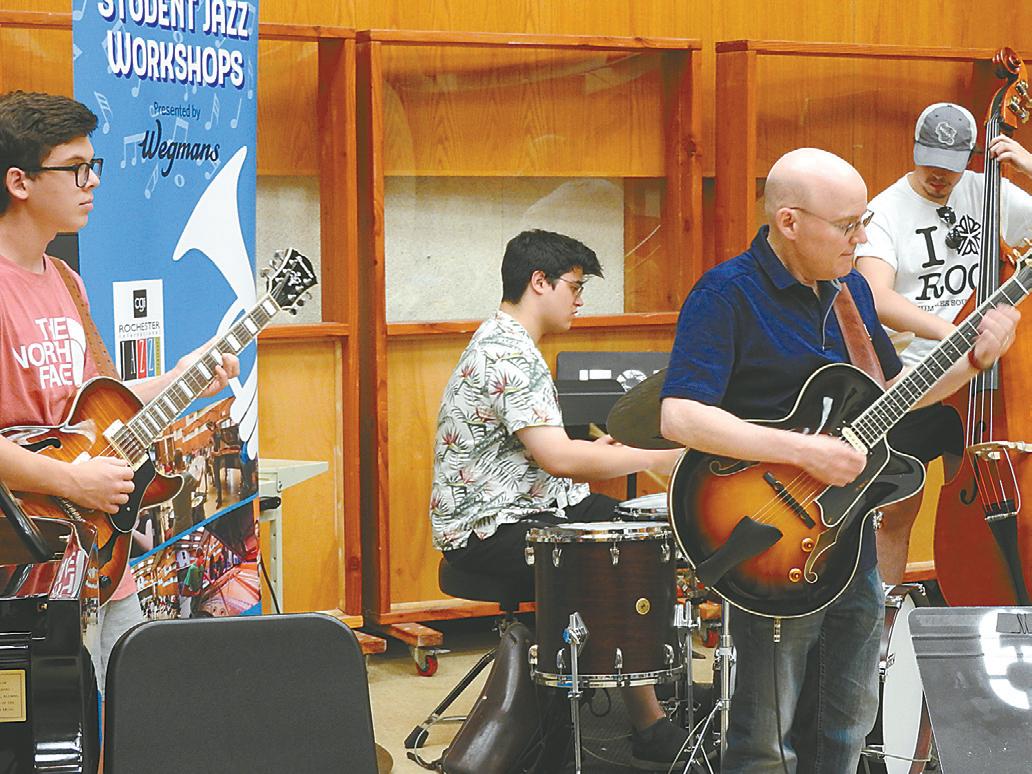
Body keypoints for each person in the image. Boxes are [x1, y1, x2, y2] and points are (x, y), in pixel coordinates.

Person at [658, 147, 1019, 773]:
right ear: (790, 222)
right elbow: (680, 417)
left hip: (850, 542)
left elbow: (889, 396)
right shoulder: (726, 294)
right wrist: (804, 451)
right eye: (849, 225)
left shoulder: (851, 290)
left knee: (847, 723)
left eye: (864, 221)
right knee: (766, 741)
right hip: (766, 536)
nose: (863, 238)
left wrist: (973, 359)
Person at [0, 90, 239, 693]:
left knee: (132, 708)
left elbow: (99, 402)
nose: (93, 181)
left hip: (101, 555)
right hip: (26, 563)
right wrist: (70, 482)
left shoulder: (65, 280)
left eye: (94, 165)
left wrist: (182, 377)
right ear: (19, 181)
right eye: (76, 168)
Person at [430, 229, 687, 770]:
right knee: (617, 558)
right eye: (574, 286)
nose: (579, 299)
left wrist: (606, 451)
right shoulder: (508, 354)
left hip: (535, 507)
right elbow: (560, 460)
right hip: (489, 529)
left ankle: (650, 710)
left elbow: (547, 454)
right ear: (539, 282)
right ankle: (648, 723)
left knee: (648, 534)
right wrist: (654, 457)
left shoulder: (508, 343)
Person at [854, 102, 1032, 583]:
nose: (939, 176)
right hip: (912, 384)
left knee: (984, 504)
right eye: (930, 162)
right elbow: (874, 295)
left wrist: (1029, 166)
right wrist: (950, 335)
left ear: (970, 157)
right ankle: (881, 621)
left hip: (982, 390)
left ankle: (984, 601)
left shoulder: (988, 190)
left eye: (950, 167)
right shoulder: (887, 210)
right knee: (896, 512)